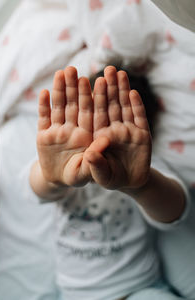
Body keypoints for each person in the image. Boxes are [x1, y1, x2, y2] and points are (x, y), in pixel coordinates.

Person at [29, 65, 190, 300]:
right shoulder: (61, 163)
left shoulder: (146, 167)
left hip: (137, 291)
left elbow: (176, 211)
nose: (98, 136)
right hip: (71, 294)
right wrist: (52, 177)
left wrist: (141, 185)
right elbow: (37, 189)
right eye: (90, 118)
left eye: (113, 122)